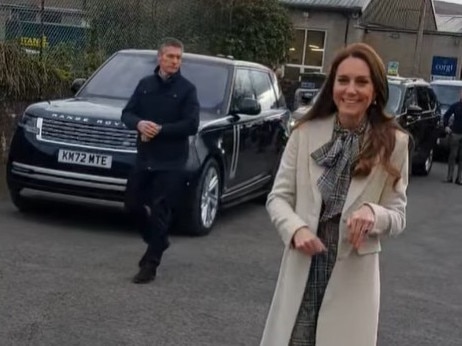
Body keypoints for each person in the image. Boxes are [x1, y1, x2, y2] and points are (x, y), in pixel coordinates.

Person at [260, 43, 409, 346]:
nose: (350, 90)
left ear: (376, 90)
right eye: (343, 81)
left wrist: (372, 212)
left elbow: (397, 214)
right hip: (302, 270)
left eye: (361, 82)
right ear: (332, 87)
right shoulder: (304, 132)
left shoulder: (395, 143)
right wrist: (295, 229)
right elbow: (278, 197)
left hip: (353, 281)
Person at [121, 38, 200, 284]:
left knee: (160, 212)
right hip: (145, 158)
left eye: (178, 57)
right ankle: (159, 240)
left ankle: (150, 265)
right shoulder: (145, 84)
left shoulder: (187, 90)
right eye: (170, 57)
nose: (175, 61)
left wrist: (160, 129)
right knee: (132, 204)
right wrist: (139, 124)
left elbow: (191, 124)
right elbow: (127, 113)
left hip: (171, 162)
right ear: (160, 58)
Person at [442, 91, 462, 184]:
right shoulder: (456, 106)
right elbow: (446, 116)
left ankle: (459, 178)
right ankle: (449, 177)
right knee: (452, 156)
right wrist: (446, 126)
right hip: (455, 134)